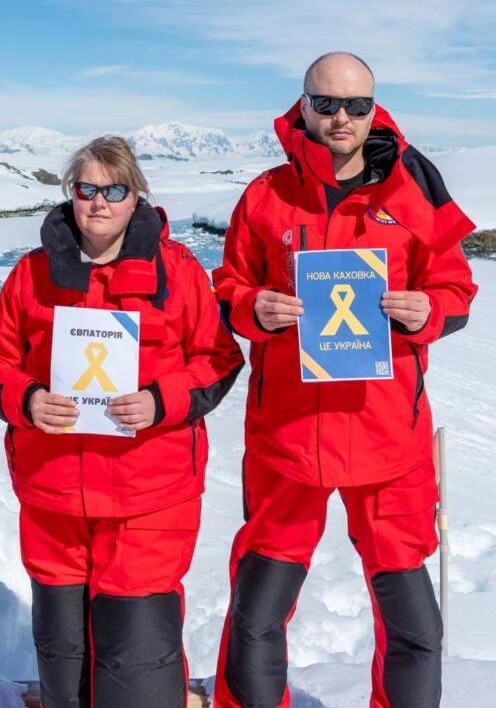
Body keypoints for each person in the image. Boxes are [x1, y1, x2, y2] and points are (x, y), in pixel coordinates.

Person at [211, 52, 477, 708]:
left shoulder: (413, 191)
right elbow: (229, 286)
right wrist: (254, 308)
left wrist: (428, 310)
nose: (341, 118)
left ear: (373, 108)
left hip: (387, 439)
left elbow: (456, 289)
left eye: (356, 106)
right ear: (302, 106)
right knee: (257, 615)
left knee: (415, 629)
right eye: (326, 103)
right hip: (288, 438)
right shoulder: (266, 194)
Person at [0, 135, 244, 708]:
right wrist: (27, 398)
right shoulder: (31, 273)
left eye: (114, 190)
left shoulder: (178, 271)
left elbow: (218, 359)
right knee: (63, 667)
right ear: (71, 194)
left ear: (136, 195)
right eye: (86, 189)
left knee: (137, 674)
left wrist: (160, 402)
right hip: (53, 499)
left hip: (149, 498)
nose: (98, 202)